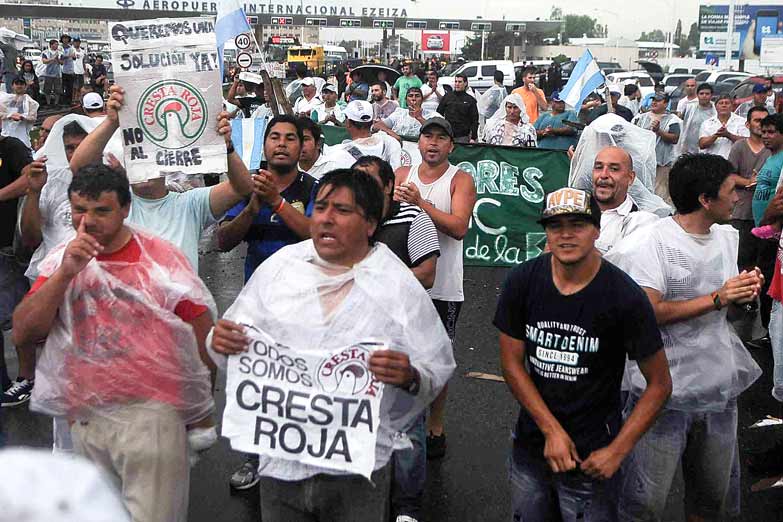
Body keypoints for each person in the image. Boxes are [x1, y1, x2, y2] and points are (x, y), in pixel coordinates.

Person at [209, 168, 456, 522]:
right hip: (282, 464)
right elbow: (230, 340)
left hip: (356, 471)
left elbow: (436, 368)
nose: (326, 218)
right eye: (321, 207)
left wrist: (410, 376)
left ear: (370, 224)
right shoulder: (281, 269)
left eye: (341, 210)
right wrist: (222, 340)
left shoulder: (396, 284)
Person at [13, 165, 217, 522]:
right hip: (87, 420)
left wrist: (199, 411)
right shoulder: (62, 260)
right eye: (79, 209)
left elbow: (200, 328)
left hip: (151, 420)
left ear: (125, 208)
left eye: (101, 210)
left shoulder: (159, 260)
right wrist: (65, 272)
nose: (88, 221)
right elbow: (24, 332)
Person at [495, 186, 671, 522]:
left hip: (594, 454)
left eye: (577, 224)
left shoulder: (623, 296)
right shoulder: (523, 281)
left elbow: (660, 384)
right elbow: (512, 364)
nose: (566, 235)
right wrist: (551, 431)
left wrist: (617, 452)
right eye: (555, 226)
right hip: (532, 445)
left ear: (597, 229)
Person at [608, 153, 764, 522]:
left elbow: (728, 311)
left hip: (718, 389)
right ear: (705, 200)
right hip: (661, 395)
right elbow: (646, 314)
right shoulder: (651, 243)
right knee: (643, 505)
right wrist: (717, 297)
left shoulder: (726, 237)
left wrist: (743, 297)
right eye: (730, 191)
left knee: (712, 501)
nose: (737, 198)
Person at [68, 84, 254, 270]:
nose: (143, 166)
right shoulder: (116, 205)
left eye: (148, 158)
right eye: (137, 158)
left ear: (164, 162)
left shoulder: (190, 205)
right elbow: (79, 167)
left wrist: (226, 147)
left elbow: (242, 188)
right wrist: (112, 122)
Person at [353, 155, 439, 522]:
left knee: (407, 426)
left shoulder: (416, 220)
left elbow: (427, 274)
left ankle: (406, 508)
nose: (362, 190)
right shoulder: (350, 221)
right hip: (357, 338)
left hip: (404, 341)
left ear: (389, 186)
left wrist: (378, 276)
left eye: (370, 181)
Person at [394, 117, 477, 459]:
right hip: (402, 284)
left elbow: (458, 227)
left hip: (443, 287)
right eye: (427, 135)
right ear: (419, 141)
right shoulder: (400, 175)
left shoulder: (460, 180)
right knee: (398, 354)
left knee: (438, 360)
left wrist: (419, 204)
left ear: (450, 146)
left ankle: (435, 425)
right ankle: (398, 419)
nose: (432, 143)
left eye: (440, 138)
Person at [0, 135, 34, 406]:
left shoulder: (10, 146)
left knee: (21, 317)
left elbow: (30, 178)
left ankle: (26, 379)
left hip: (7, 248)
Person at [728, 107, 771, 280]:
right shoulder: (739, 146)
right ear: (747, 124)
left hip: (766, 214)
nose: (761, 125)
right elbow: (729, 176)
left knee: (763, 263)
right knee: (742, 261)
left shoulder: (773, 149)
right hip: (743, 211)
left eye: (765, 121)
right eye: (757, 120)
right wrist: (749, 182)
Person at [591, 146, 659, 255]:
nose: (603, 175)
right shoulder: (573, 208)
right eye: (599, 167)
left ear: (630, 178)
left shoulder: (640, 224)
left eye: (614, 169)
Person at [632, 93, 682, 204]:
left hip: (661, 164)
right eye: (653, 100)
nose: (654, 102)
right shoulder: (639, 118)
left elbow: (674, 138)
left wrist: (659, 131)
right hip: (642, 164)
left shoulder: (673, 120)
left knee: (660, 194)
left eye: (658, 101)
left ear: (665, 103)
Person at [339, 100, 402, 170]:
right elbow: (397, 172)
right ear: (372, 121)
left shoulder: (339, 152)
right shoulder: (390, 142)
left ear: (348, 123)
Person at [375, 86, 441, 142]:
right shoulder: (399, 113)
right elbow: (378, 125)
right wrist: (393, 134)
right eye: (410, 96)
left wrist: (420, 118)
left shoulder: (432, 115)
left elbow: (437, 132)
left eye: (417, 96)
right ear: (406, 100)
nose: (413, 99)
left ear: (422, 100)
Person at [699, 94, 749, 159]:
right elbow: (702, 144)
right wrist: (716, 135)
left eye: (727, 103)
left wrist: (728, 135)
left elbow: (747, 143)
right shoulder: (707, 123)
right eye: (721, 103)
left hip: (734, 162)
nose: (724, 105)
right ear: (716, 106)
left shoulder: (742, 122)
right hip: (712, 163)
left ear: (732, 106)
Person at [436, 74, 479, 143]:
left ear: (465, 83)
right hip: (447, 135)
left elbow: (474, 120)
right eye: (456, 81)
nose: (457, 84)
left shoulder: (470, 100)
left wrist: (473, 137)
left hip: (463, 136)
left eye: (459, 82)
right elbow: (438, 113)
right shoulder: (447, 97)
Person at [0, 76, 39, 149]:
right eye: (17, 83)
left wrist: (22, 117)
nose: (19, 86)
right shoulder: (4, 100)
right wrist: (10, 115)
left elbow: (33, 118)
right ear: (12, 86)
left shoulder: (31, 103)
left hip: (22, 137)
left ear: (25, 86)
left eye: (21, 84)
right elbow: (1, 113)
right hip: (6, 135)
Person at [679, 82, 716, 155]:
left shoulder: (716, 110)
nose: (704, 96)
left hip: (709, 149)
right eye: (701, 93)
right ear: (697, 95)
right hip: (690, 150)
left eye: (707, 94)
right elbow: (682, 124)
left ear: (711, 95)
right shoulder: (689, 107)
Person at [41, 39, 63, 107]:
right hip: (48, 74)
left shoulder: (60, 53)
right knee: (47, 89)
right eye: (55, 44)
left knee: (57, 90)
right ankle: (48, 103)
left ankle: (56, 103)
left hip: (57, 74)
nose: (57, 46)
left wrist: (58, 60)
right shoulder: (45, 52)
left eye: (57, 44)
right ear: (51, 45)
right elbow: (44, 61)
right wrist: (52, 58)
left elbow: (62, 62)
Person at [59, 34, 76, 107]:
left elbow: (74, 57)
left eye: (66, 38)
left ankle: (69, 101)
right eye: (64, 38)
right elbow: (61, 56)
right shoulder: (59, 48)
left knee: (70, 87)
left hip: (70, 70)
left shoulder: (71, 48)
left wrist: (73, 57)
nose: (65, 40)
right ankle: (62, 101)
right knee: (62, 87)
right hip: (61, 70)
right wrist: (69, 56)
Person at [71, 37, 86, 104]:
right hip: (74, 70)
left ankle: (78, 99)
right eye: (75, 42)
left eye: (78, 42)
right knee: (74, 87)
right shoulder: (71, 49)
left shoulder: (82, 51)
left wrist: (85, 70)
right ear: (73, 42)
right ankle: (73, 99)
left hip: (81, 71)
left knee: (80, 87)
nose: (77, 43)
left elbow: (83, 61)